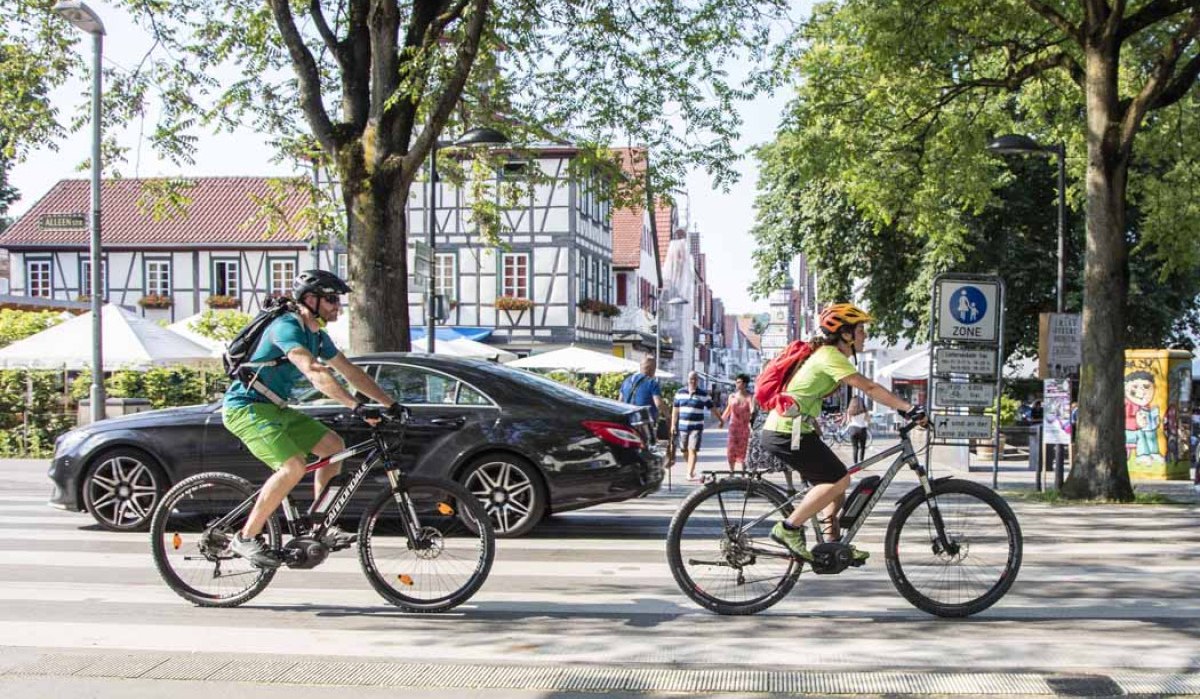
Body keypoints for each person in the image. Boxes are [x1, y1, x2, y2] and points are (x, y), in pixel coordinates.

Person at [223, 270, 402, 568]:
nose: (337, 307)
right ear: (310, 299)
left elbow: (350, 371)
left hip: (276, 408)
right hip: (246, 408)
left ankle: (320, 523)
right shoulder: (285, 327)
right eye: (331, 300)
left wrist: (391, 404)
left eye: (338, 301)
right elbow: (314, 371)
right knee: (293, 466)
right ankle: (245, 537)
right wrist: (355, 406)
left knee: (333, 447)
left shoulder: (317, 335)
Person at [763, 303, 923, 563]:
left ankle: (832, 546)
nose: (865, 335)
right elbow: (870, 388)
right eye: (861, 330)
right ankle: (789, 528)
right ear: (846, 334)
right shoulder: (829, 356)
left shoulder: (829, 356)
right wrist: (908, 408)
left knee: (837, 481)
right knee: (839, 480)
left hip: (795, 429)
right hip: (786, 432)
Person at [672, 371, 724, 481]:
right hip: (683, 427)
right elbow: (675, 410)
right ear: (688, 380)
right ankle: (690, 467)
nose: (693, 381)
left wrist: (721, 419)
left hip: (696, 427)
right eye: (691, 379)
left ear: (698, 381)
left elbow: (712, 408)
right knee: (683, 449)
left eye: (695, 379)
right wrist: (672, 425)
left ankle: (689, 473)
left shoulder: (703, 394)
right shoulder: (680, 393)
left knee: (693, 449)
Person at [619, 357, 668, 445]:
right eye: (654, 368)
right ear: (651, 369)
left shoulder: (626, 381)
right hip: (644, 424)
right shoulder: (651, 383)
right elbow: (658, 404)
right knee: (646, 449)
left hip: (628, 423)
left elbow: (620, 402)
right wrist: (668, 416)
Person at [721, 374, 755, 470]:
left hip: (744, 428)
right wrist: (721, 421)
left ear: (745, 384)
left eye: (739, 382)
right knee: (731, 449)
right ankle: (732, 471)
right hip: (733, 427)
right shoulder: (732, 396)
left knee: (744, 450)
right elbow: (728, 410)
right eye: (736, 382)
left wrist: (752, 416)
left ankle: (743, 472)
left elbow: (752, 410)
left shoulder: (750, 397)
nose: (737, 384)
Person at [843, 396, 870, 463]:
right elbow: (868, 420)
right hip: (862, 429)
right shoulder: (864, 410)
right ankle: (861, 461)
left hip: (853, 429)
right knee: (862, 447)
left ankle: (855, 463)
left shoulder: (850, 410)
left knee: (855, 447)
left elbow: (848, 421)